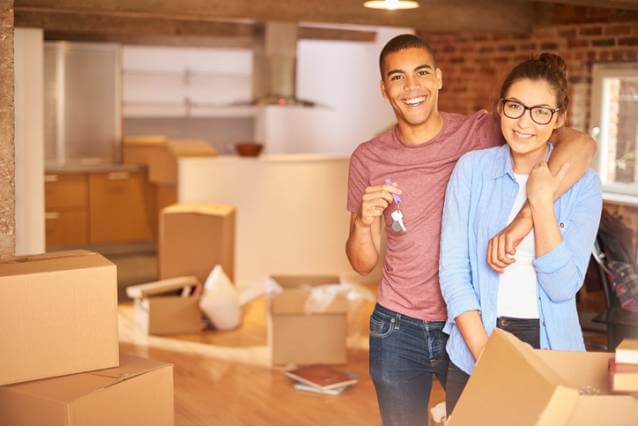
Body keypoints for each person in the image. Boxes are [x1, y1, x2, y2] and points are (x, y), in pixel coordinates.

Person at [345, 34, 596, 426]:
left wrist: (523, 222)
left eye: (422, 73)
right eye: (398, 77)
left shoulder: (482, 132)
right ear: (384, 88)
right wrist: (363, 222)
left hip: (463, 323)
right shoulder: (368, 158)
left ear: (439, 78)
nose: (412, 87)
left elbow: (579, 144)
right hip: (399, 326)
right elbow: (363, 264)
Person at [439, 53, 603, 416]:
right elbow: (453, 271)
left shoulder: (584, 186)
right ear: (500, 109)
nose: (525, 122)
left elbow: (562, 288)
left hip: (552, 351)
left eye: (541, 111)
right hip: (477, 345)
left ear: (559, 118)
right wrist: (484, 355)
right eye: (515, 106)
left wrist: (542, 201)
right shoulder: (472, 171)